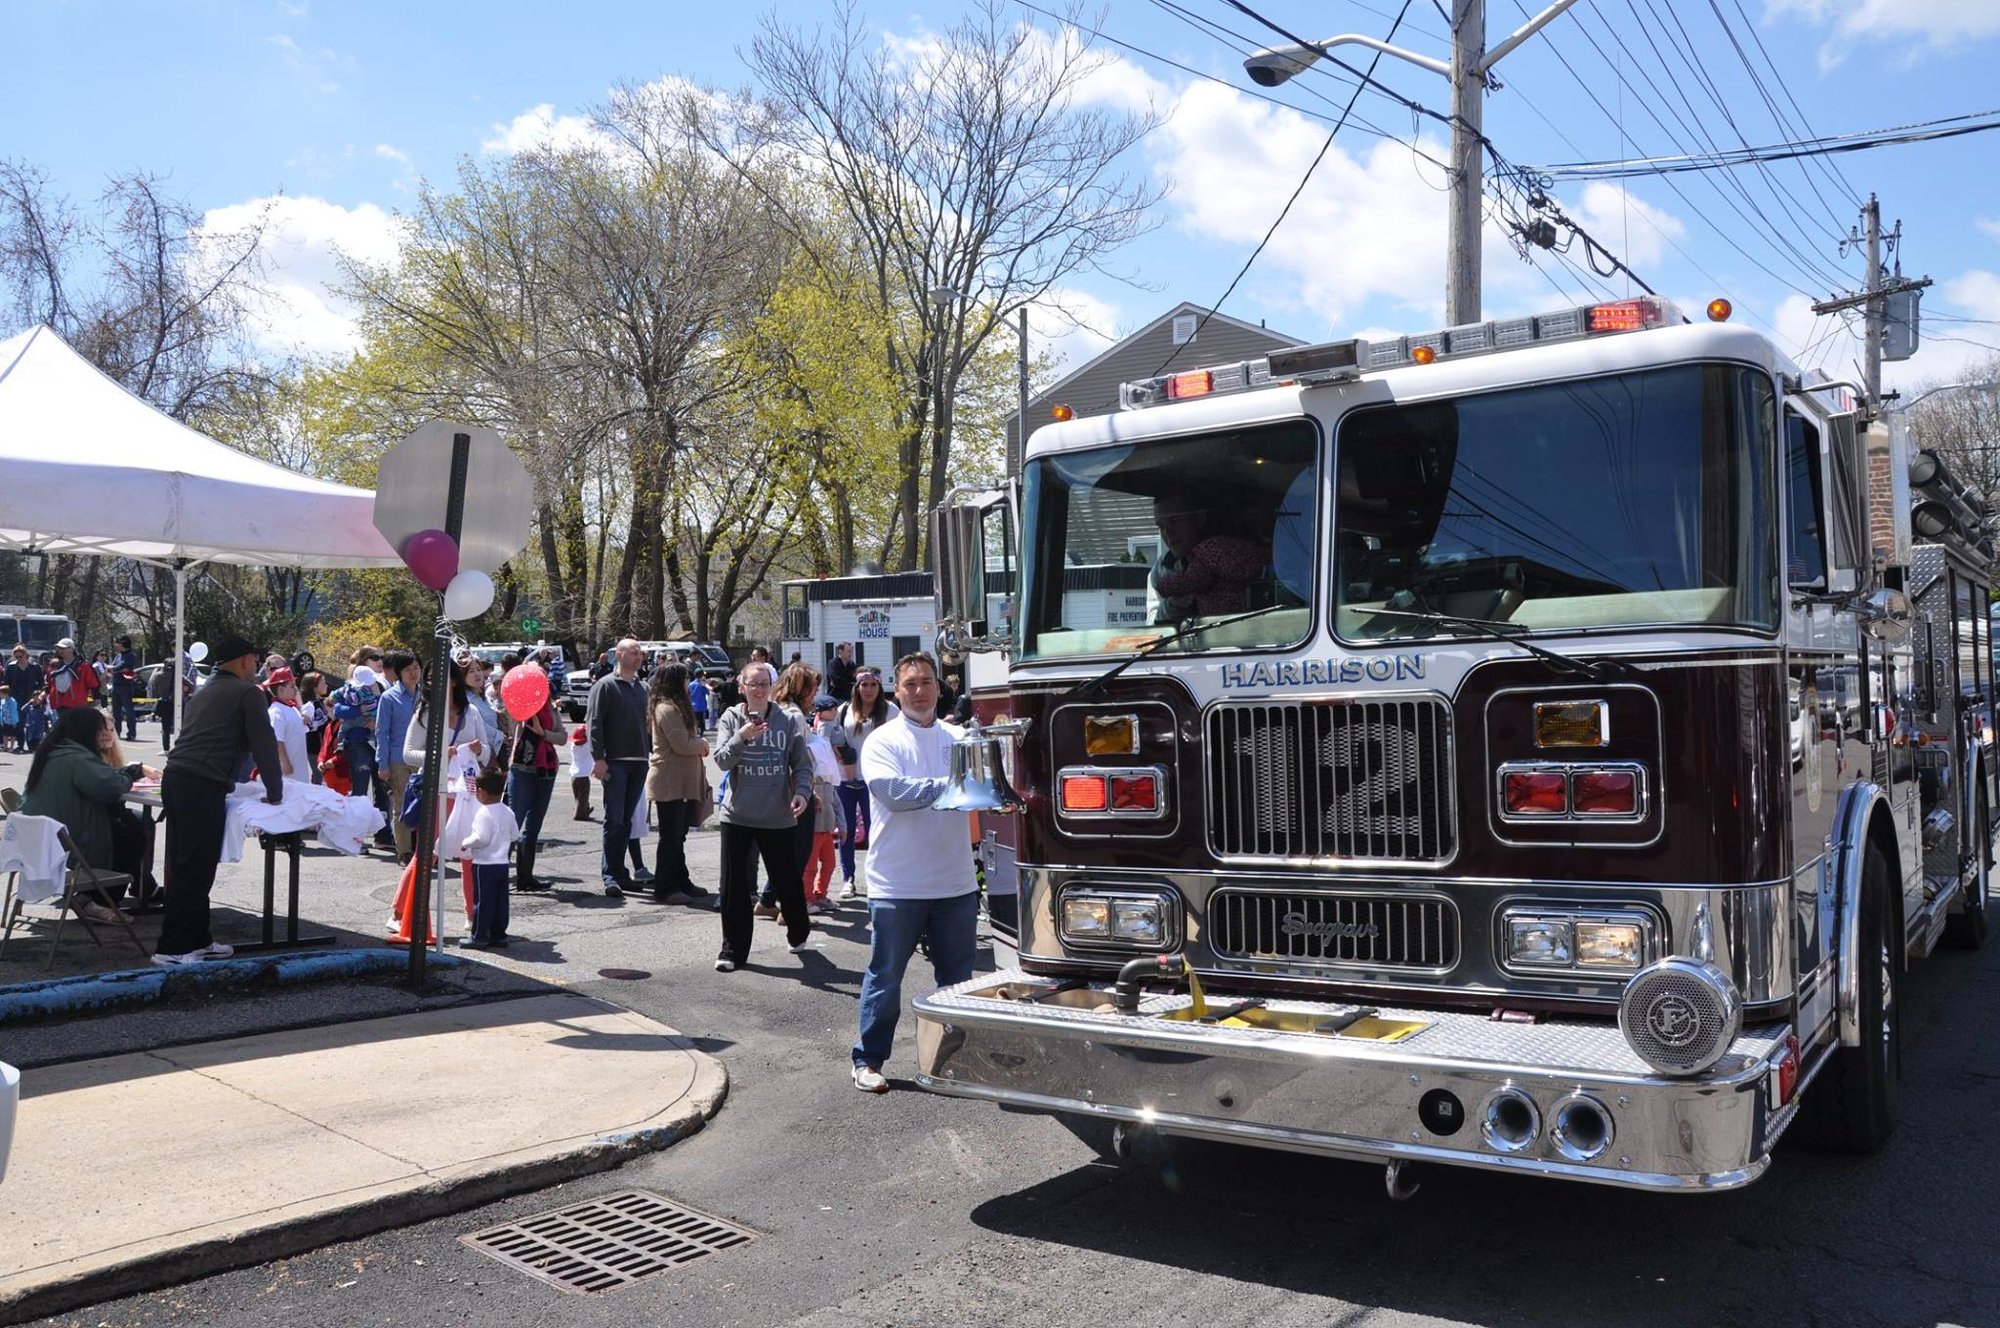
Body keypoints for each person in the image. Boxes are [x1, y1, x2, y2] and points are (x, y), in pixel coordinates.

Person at [851, 651, 980, 1093]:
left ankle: (955, 1061)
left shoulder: (960, 737)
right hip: (897, 884)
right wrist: (957, 784)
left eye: (926, 682)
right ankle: (867, 1060)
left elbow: (989, 787)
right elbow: (893, 793)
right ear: (896, 689)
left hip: (956, 881)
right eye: (910, 684)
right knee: (885, 977)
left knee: (957, 984)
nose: (919, 691)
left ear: (939, 687)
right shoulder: (882, 740)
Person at [155, 634, 283, 966]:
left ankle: (198, 940)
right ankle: (171, 947)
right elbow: (264, 745)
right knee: (193, 868)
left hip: (180, 778)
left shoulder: (205, 689)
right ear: (244, 660)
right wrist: (276, 792)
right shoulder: (247, 693)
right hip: (199, 783)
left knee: (194, 866)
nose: (256, 667)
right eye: (254, 661)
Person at [711, 662, 812, 971]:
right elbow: (722, 761)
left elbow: (802, 764)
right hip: (738, 815)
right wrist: (742, 736)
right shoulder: (731, 718)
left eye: (763, 684)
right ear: (742, 686)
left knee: (787, 881)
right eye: (752, 684)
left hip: (777, 815)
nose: (758, 689)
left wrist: (802, 792)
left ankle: (798, 931)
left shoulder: (787, 720)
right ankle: (733, 951)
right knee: (734, 887)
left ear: (771, 686)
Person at [21, 706, 163, 924]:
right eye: (98, 729)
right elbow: (110, 786)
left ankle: (111, 892)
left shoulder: (55, 751)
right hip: (67, 840)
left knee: (133, 825)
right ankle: (99, 901)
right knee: (132, 837)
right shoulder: (75, 756)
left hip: (44, 837)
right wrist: (133, 771)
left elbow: (100, 781)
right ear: (86, 730)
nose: (102, 734)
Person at [389, 658, 490, 942]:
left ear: (454, 681)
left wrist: (479, 749)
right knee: (427, 853)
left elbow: (485, 752)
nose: (432, 681)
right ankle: (400, 912)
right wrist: (440, 754)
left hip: (468, 793)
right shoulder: (425, 713)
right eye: (430, 677)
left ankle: (474, 916)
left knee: (471, 854)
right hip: (436, 790)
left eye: (439, 676)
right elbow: (408, 753)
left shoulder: (471, 713)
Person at [826, 664, 899, 902]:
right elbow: (834, 739)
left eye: (873, 685)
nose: (868, 689)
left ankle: (878, 878)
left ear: (880, 686)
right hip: (847, 779)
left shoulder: (890, 711)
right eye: (864, 685)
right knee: (845, 832)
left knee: (876, 831)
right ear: (856, 687)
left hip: (875, 781)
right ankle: (848, 879)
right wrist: (841, 757)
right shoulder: (845, 710)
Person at [586, 637, 651, 898]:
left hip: (639, 762)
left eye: (640, 653)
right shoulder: (605, 686)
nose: (639, 657)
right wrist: (598, 758)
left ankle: (621, 873)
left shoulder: (642, 687)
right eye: (634, 652)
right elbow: (595, 724)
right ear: (619, 655)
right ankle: (610, 875)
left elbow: (648, 725)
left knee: (625, 822)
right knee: (614, 820)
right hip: (615, 763)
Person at [646, 662, 712, 906]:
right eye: (684, 680)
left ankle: (681, 881)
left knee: (678, 836)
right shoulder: (666, 709)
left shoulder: (675, 707)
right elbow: (682, 744)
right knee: (670, 837)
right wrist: (703, 745)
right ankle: (666, 888)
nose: (687, 684)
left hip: (681, 782)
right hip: (669, 782)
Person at [1149, 491, 1268, 619]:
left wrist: (1169, 587)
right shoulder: (1161, 569)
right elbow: (1151, 627)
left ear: (1200, 518)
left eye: (1175, 521)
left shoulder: (1215, 554)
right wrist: (1172, 606)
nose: (1168, 532)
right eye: (1161, 526)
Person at [505, 678, 565, 893]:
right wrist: (527, 715)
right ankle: (500, 874)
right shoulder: (520, 707)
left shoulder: (552, 707)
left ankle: (525, 877)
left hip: (548, 768)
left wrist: (544, 733)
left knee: (534, 825)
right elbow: (514, 728)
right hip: (522, 767)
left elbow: (562, 737)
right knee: (514, 822)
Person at [459, 768, 519, 948]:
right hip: (502, 863)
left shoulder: (483, 813)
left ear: (480, 792)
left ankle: (479, 936)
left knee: (483, 901)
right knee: (501, 901)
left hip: (484, 864)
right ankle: (499, 934)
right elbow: (515, 835)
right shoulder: (508, 811)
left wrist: (466, 842)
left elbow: (481, 838)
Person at [373, 651, 422, 860]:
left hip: (423, 758)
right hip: (399, 759)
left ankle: (422, 850)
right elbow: (381, 732)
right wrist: (382, 764)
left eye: (416, 668)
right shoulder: (389, 697)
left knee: (424, 806)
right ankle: (404, 851)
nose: (413, 673)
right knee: (401, 806)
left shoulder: (426, 695)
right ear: (398, 673)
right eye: (408, 670)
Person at [803, 695, 848, 914]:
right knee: (810, 867)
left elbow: (835, 801)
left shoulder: (829, 779)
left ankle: (821, 895)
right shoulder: (816, 741)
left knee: (829, 864)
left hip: (827, 829)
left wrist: (843, 824)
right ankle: (807, 898)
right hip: (812, 829)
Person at [330, 663, 382, 800]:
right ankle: (359, 816)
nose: (379, 662)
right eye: (375, 659)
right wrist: (360, 710)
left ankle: (381, 818)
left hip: (378, 740)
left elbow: (384, 709)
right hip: (356, 740)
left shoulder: (380, 685)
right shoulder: (350, 689)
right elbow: (337, 709)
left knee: (382, 789)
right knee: (360, 786)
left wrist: (375, 720)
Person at [262, 667, 311, 780]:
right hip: (288, 771)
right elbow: (277, 740)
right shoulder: (276, 711)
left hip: (299, 768)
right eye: (292, 686)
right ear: (280, 689)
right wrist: (285, 763)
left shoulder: (292, 708)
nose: (295, 689)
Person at [45, 638, 99, 713]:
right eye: (59, 648)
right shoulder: (55, 666)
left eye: (63, 648)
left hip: (77, 705)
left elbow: (93, 684)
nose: (60, 650)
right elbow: (49, 683)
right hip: (59, 704)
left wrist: (94, 700)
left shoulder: (83, 665)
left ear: (71, 649)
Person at [298, 671, 332, 784]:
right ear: (314, 687)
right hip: (314, 746)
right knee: (319, 775)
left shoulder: (321, 702)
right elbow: (307, 726)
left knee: (323, 775)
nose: (326, 685)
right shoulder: (309, 706)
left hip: (323, 745)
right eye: (323, 683)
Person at [109, 635, 142, 741]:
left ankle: (131, 734)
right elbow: (113, 667)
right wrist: (115, 669)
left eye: (118, 643)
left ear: (123, 643)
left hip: (125, 686)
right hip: (116, 685)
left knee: (129, 711)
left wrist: (115, 669)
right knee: (116, 712)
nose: (117, 645)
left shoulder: (130, 655)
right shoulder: (118, 655)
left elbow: (123, 667)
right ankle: (117, 733)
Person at [4, 645, 41, 713]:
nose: (19, 659)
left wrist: (37, 694)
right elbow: (6, 683)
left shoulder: (35, 667)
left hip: (31, 697)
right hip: (16, 697)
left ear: (25, 655)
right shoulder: (10, 667)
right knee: (19, 720)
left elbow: (41, 682)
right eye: (16, 657)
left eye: (20, 656)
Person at [569, 721, 593, 821]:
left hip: (574, 775)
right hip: (583, 776)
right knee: (583, 797)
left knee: (578, 797)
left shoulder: (573, 746)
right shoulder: (587, 747)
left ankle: (585, 809)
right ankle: (580, 814)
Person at [0, 685, 18, 753]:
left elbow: (14, 712)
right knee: (5, 735)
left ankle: (11, 747)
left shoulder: (12, 701)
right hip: (5, 721)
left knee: (12, 735)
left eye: (1, 693)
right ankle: (5, 746)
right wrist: (1, 720)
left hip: (12, 721)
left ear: (5, 693)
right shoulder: (2, 701)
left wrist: (14, 721)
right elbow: (1, 711)